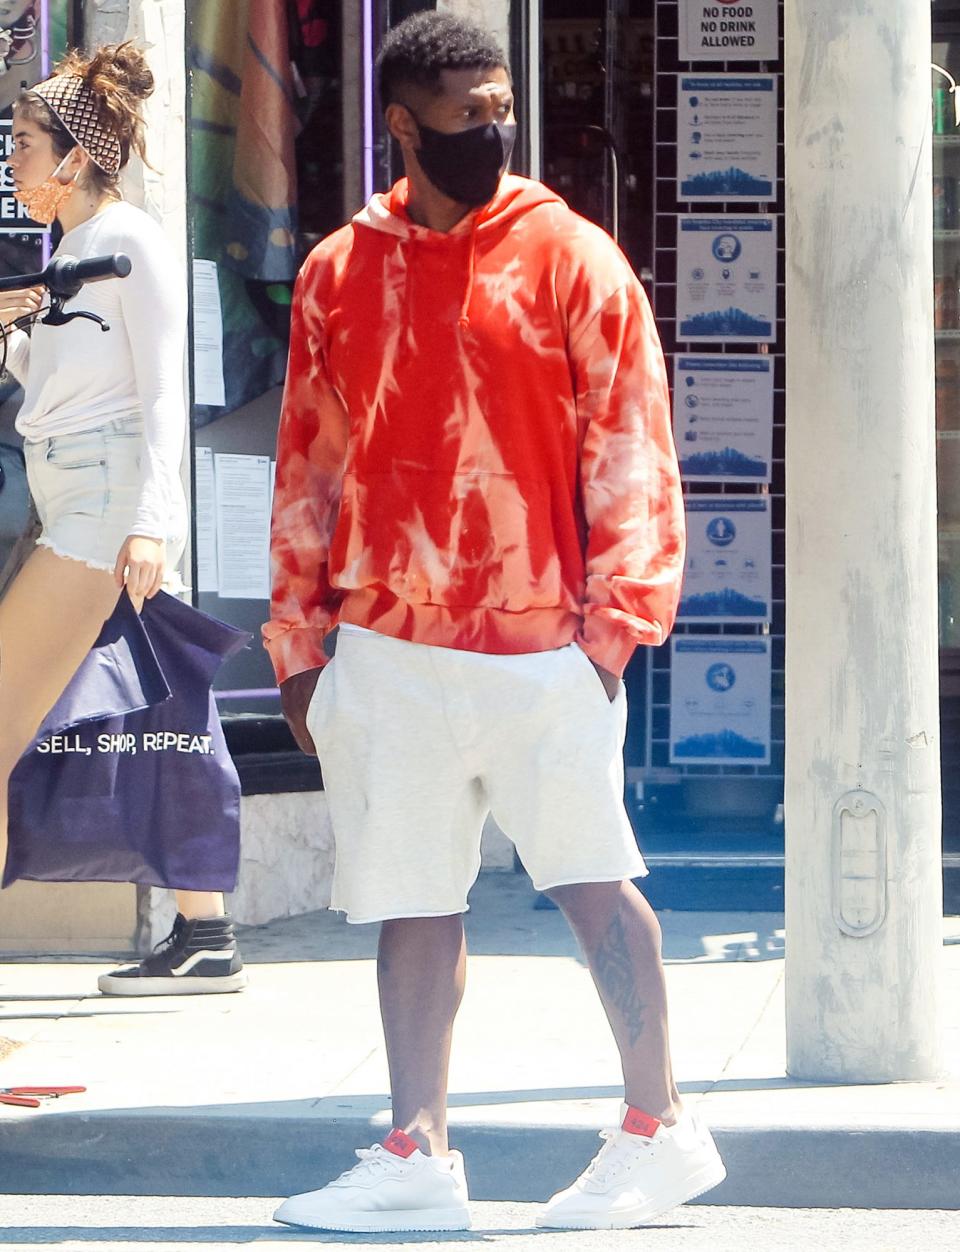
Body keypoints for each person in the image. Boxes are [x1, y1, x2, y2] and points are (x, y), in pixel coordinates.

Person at [265, 11, 725, 1233]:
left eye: (502, 107)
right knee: (410, 897)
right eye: (467, 114)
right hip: (388, 644)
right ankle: (416, 1149)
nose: (495, 130)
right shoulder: (337, 270)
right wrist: (301, 643)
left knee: (594, 880)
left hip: (540, 647)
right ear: (402, 126)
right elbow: (307, 463)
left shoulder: (572, 257)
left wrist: (610, 635)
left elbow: (633, 449)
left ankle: (659, 1127)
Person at [0, 42, 245, 996]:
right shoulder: (79, 250)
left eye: (21, 143)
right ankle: (205, 933)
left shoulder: (131, 240)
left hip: (102, 516)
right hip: (76, 502)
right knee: (162, 707)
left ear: (73, 156)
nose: (10, 162)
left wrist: (153, 524)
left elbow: (159, 391)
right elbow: (71, 389)